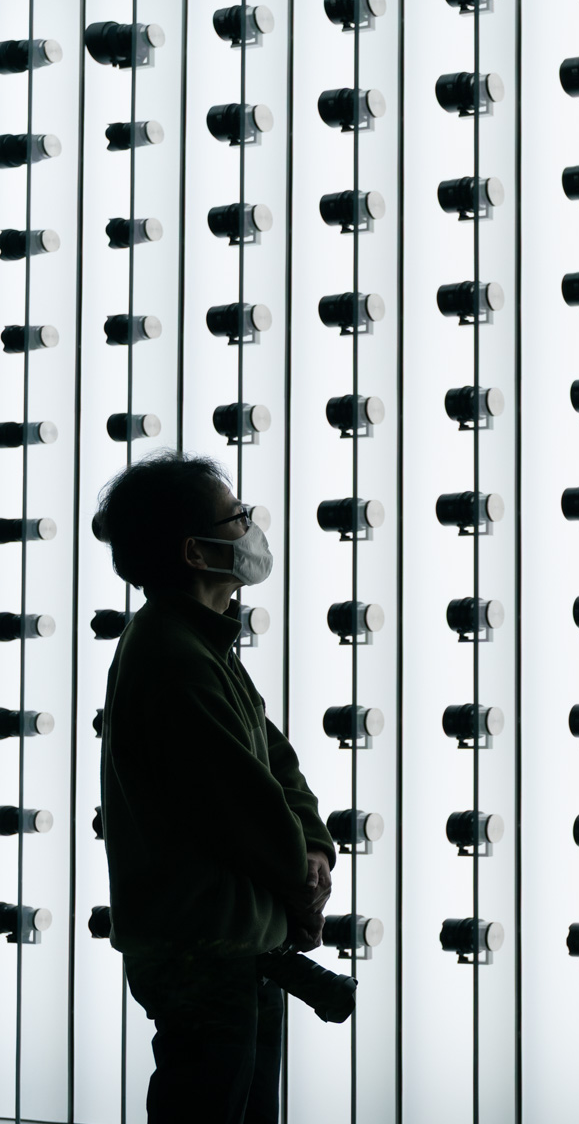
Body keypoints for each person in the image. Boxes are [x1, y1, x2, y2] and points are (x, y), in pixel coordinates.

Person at [96, 452, 335, 1124]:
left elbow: (274, 760)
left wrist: (314, 849)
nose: (251, 528)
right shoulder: (172, 655)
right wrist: (302, 881)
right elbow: (240, 803)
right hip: (206, 952)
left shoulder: (197, 642)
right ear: (196, 552)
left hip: (233, 942)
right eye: (237, 517)